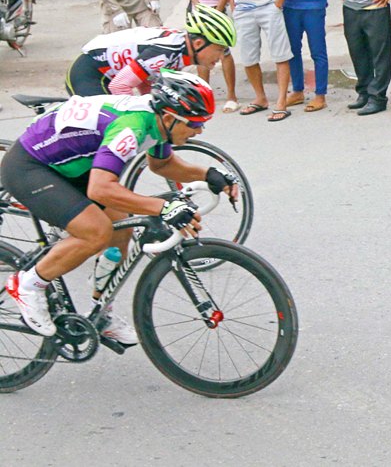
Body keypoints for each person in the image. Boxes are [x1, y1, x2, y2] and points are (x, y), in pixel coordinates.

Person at [1, 70, 239, 341]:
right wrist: (163, 208)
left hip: (70, 167)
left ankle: (101, 313)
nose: (199, 131)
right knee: (96, 231)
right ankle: (28, 284)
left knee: (121, 229)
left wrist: (208, 175)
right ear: (172, 118)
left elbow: (162, 164)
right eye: (195, 124)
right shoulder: (132, 127)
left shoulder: (159, 121)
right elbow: (100, 188)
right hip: (30, 167)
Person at [65, 4, 236, 96]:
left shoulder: (179, 52)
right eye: (219, 49)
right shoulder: (166, 53)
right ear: (198, 43)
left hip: (106, 74)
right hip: (90, 73)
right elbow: (120, 86)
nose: (221, 56)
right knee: (113, 130)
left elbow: (144, 79)